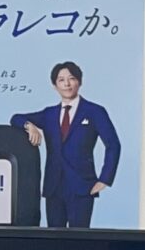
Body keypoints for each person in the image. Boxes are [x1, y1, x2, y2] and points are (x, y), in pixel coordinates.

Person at [11, 60, 123, 228]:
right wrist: (29, 126)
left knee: (79, 237)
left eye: (71, 78)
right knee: (55, 238)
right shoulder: (49, 114)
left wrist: (105, 179)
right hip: (54, 187)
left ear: (80, 81)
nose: (67, 84)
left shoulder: (94, 111)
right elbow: (15, 118)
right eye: (61, 80)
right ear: (55, 86)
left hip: (82, 187)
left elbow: (113, 145)